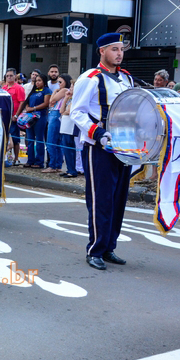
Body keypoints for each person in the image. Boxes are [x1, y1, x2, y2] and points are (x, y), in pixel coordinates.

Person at [70, 32, 135, 271]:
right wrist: (96, 132)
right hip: (99, 146)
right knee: (101, 199)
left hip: (124, 145)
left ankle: (109, 247)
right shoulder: (90, 78)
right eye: (114, 49)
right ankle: (95, 249)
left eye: (121, 49)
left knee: (119, 199)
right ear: (102, 51)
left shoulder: (127, 78)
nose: (119, 54)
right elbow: (76, 112)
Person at [22, 73, 50, 169]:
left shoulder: (46, 91)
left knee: (39, 139)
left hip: (40, 117)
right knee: (29, 139)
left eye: (39, 80)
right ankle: (30, 160)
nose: (37, 82)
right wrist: (27, 107)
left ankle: (39, 161)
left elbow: (46, 103)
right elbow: (26, 102)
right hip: (30, 117)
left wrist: (33, 108)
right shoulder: (33, 91)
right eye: (36, 81)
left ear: (44, 81)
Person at [44, 73, 70, 173]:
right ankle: (58, 165)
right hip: (57, 115)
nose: (58, 84)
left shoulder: (64, 90)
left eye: (60, 82)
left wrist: (55, 91)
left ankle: (52, 165)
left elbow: (52, 100)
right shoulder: (65, 91)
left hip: (55, 114)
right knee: (58, 142)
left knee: (51, 141)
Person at [57, 74, 79, 178]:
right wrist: (65, 98)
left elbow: (68, 112)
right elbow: (61, 110)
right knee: (66, 148)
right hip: (65, 126)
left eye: (72, 87)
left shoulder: (76, 99)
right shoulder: (70, 99)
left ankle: (72, 170)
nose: (70, 88)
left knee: (70, 149)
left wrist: (65, 111)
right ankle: (69, 169)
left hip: (70, 126)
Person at [2, 68, 26, 166]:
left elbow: (22, 102)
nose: (9, 77)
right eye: (7, 76)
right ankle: (7, 157)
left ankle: (16, 158)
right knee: (6, 137)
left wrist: (16, 115)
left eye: (11, 75)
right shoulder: (4, 88)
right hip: (5, 116)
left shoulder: (19, 88)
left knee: (15, 138)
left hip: (14, 116)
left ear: (15, 76)